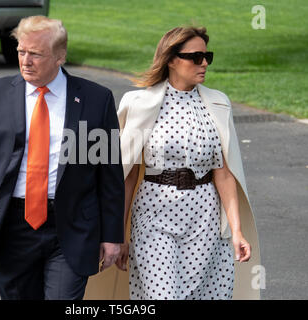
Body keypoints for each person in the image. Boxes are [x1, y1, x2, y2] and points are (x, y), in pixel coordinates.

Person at [84, 26, 260, 300]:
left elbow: (224, 174)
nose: (203, 63)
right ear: (170, 59)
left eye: (207, 57)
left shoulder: (218, 103)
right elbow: (127, 174)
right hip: (154, 216)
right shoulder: (139, 102)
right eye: (195, 57)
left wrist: (237, 231)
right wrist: (118, 232)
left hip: (206, 219)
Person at [0, 15, 125, 300]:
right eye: (21, 51)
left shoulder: (97, 99)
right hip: (12, 227)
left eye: (35, 54)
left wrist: (112, 235)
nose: (25, 61)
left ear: (60, 56)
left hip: (72, 227)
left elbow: (109, 173)